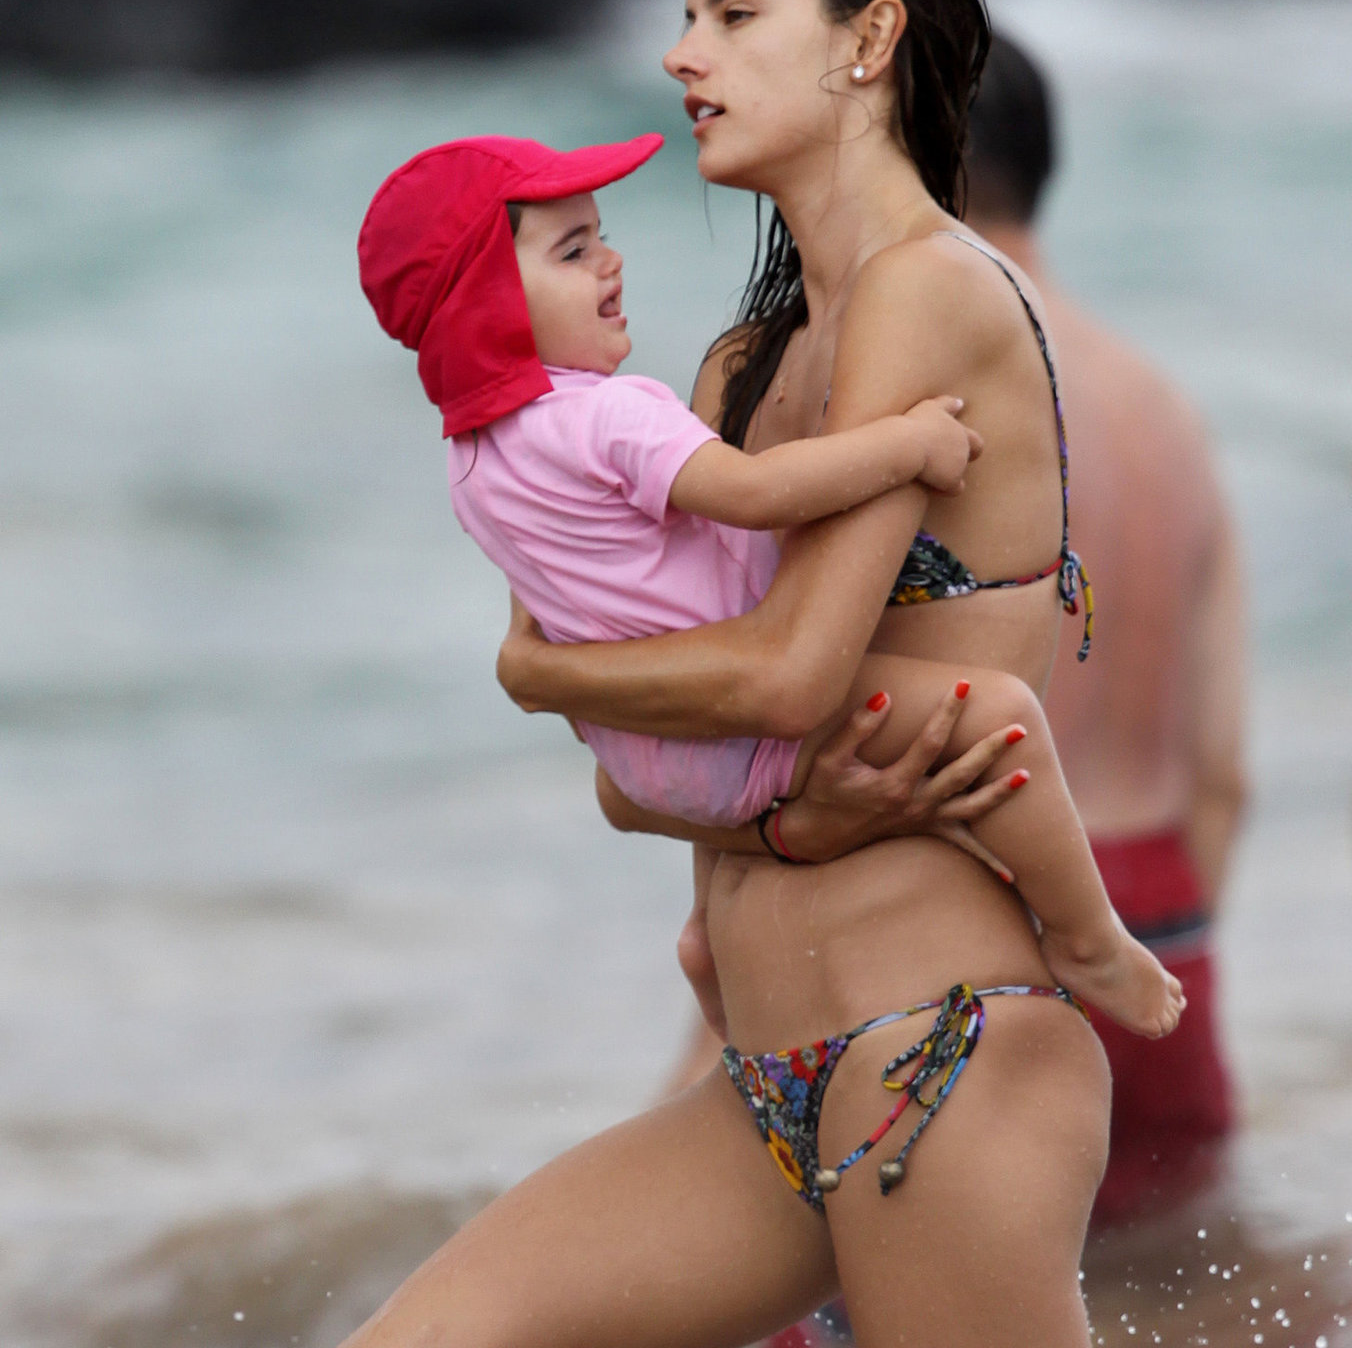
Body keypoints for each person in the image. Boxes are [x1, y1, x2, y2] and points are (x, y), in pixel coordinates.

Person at [319, 0, 1174, 1348]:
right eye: (686, 18)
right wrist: (748, 805)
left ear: (866, 40)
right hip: (767, 1079)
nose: (683, 55)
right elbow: (668, 777)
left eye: (730, 12)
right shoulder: (735, 359)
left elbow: (779, 683)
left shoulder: (932, 299)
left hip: (938, 1048)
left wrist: (551, 677)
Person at [356, 132, 1181, 1042]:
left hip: (647, 763)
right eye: (575, 250)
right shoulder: (611, 415)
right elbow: (750, 493)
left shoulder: (471, 471)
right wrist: (907, 445)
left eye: (601, 237)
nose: (612, 261)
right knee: (998, 716)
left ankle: (709, 950)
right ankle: (1091, 939)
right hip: (738, 728)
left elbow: (563, 614)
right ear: (486, 305)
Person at [960, 33, 1246, 1226]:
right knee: (1172, 1309)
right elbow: (1222, 770)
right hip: (1164, 919)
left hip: (989, 929)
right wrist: (1156, 968)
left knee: (872, 1338)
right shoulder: (1162, 404)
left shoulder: (931, 388)